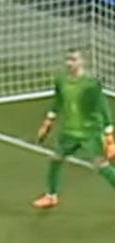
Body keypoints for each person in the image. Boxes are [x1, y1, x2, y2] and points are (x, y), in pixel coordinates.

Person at [32, 48, 115, 209]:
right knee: (56, 159)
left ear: (82, 62)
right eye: (68, 59)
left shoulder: (91, 84)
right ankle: (51, 196)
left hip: (90, 132)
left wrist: (109, 135)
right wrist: (48, 121)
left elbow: (103, 107)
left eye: (74, 59)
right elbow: (58, 100)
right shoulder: (61, 81)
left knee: (102, 166)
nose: (70, 63)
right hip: (69, 132)